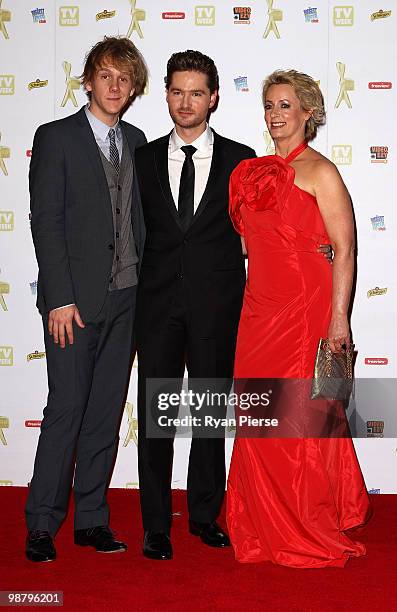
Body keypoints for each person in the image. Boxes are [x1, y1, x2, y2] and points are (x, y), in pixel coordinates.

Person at [227, 69, 371, 568]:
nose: (275, 114)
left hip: (305, 309)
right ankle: (262, 522)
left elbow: (346, 251)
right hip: (258, 308)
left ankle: (307, 520)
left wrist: (338, 320)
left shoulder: (322, 172)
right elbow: (249, 244)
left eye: (285, 105)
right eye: (269, 105)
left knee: (301, 415)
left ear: (309, 112)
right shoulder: (249, 172)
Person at [25, 37, 148, 562]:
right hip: (72, 304)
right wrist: (57, 298)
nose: (115, 86)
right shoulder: (55, 138)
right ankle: (41, 524)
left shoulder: (139, 140)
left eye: (124, 78)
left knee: (103, 413)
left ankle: (91, 519)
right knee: (67, 408)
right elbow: (45, 223)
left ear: (134, 87)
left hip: (127, 297)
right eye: (106, 76)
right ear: (88, 81)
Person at [134, 50, 256, 560]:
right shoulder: (139, 158)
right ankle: (156, 525)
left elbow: (262, 234)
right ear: (166, 95)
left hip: (216, 305)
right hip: (157, 304)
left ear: (214, 98)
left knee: (207, 415)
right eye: (177, 92)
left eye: (197, 93)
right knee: (157, 415)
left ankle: (205, 516)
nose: (186, 102)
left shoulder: (241, 159)